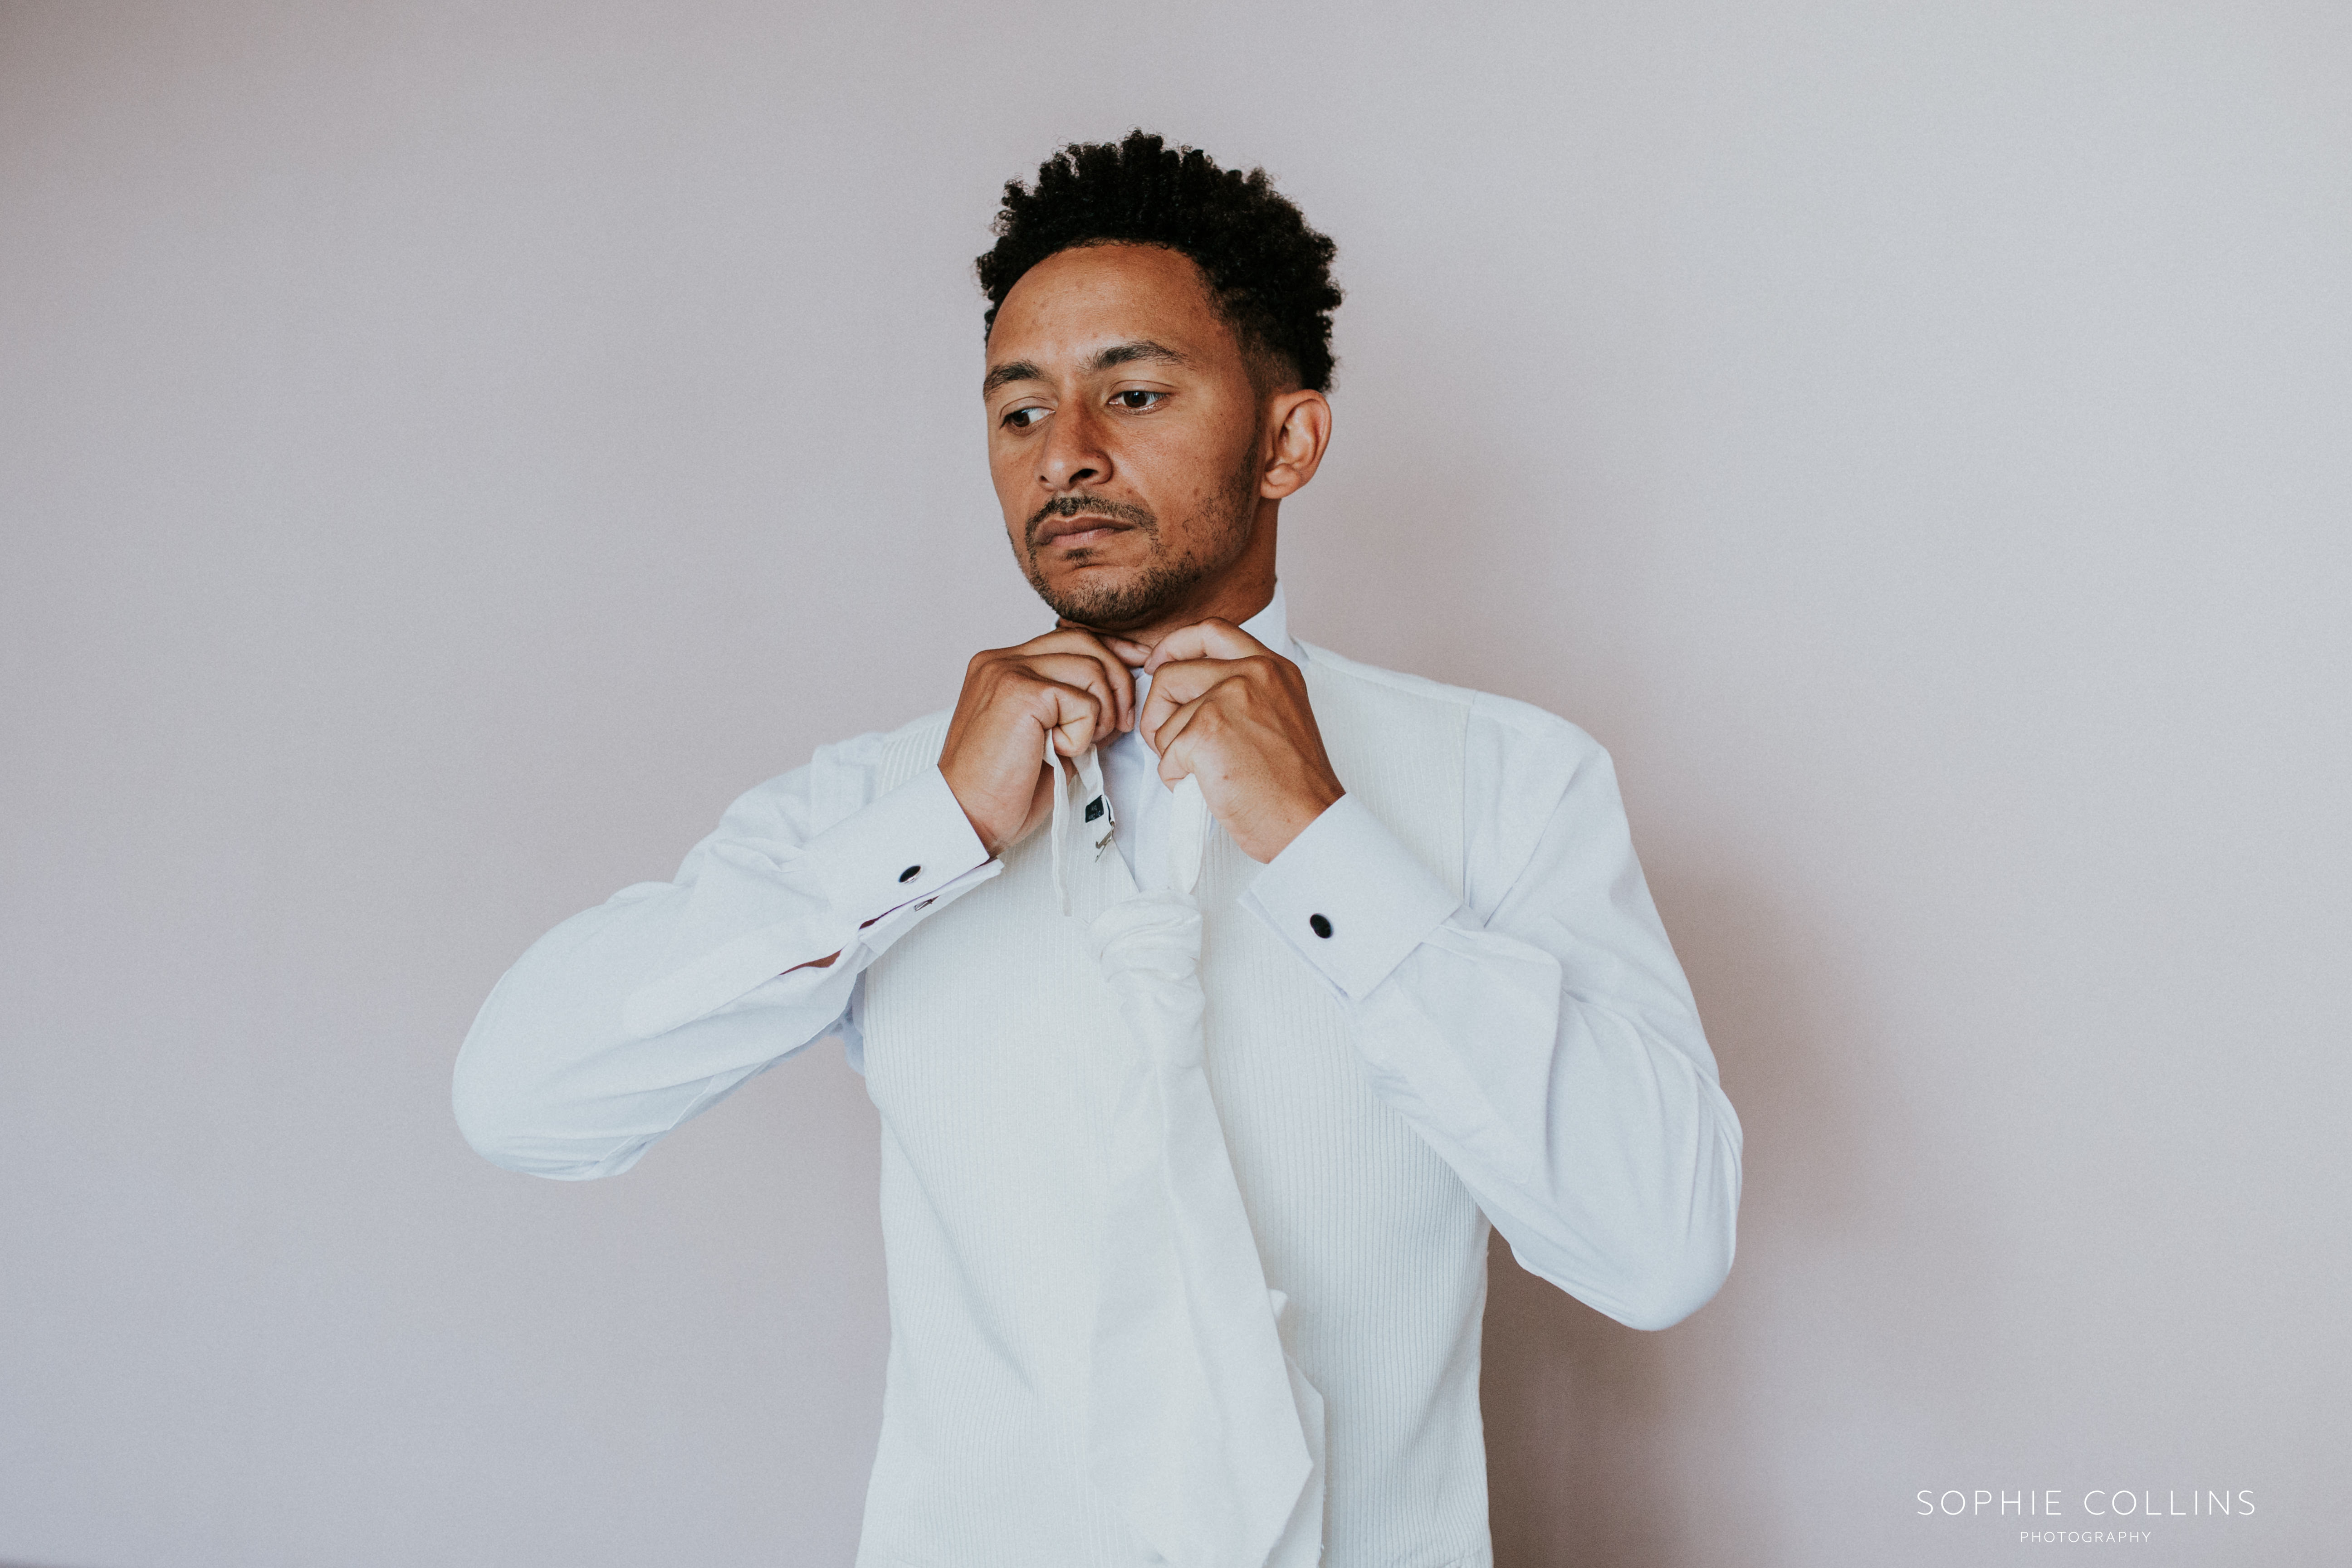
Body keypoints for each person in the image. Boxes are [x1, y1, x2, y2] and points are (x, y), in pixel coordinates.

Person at [454, 129, 1741, 1568]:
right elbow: (521, 1099)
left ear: (1287, 439)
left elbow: (1661, 1243)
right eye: (1018, 413)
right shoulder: (876, 802)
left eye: (1131, 392)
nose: (1064, 453)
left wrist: (1320, 844)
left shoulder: (1506, 779)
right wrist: (928, 831)